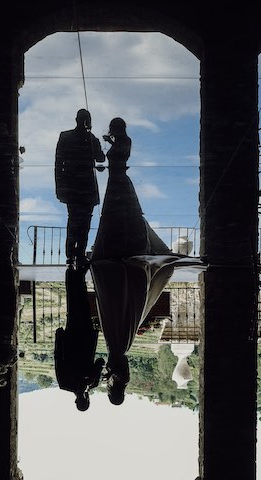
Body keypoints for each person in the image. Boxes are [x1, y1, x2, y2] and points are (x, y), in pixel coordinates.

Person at [89, 117, 205, 405]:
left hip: (118, 183)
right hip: (116, 264)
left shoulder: (121, 352)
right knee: (121, 201)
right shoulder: (119, 357)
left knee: (120, 199)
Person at [54, 109, 106, 267]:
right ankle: (79, 253)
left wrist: (59, 185)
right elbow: (101, 158)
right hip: (85, 185)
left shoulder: (66, 136)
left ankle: (71, 254)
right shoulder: (92, 139)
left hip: (72, 185)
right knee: (84, 221)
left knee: (74, 220)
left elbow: (58, 164)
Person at [53, 263, 104, 411]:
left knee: (79, 305)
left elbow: (100, 361)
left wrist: (96, 373)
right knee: (78, 305)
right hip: (74, 337)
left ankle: (75, 274)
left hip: (79, 337)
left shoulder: (90, 383)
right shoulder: (66, 384)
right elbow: (57, 358)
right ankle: (75, 274)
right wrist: (59, 338)